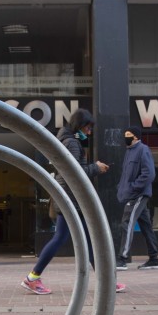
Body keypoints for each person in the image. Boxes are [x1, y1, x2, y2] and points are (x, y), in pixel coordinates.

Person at [21, 109, 125, 295]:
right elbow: (74, 172)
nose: (89, 132)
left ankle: (33, 277)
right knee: (85, 239)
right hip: (71, 197)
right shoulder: (72, 142)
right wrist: (96, 168)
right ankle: (33, 277)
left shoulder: (67, 140)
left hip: (67, 196)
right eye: (88, 128)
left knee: (69, 238)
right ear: (80, 126)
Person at [115, 125, 158, 270]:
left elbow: (149, 173)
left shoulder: (143, 150)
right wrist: (122, 188)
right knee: (146, 226)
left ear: (136, 136)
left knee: (127, 222)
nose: (126, 137)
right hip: (132, 193)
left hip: (138, 194)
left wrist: (133, 187)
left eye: (128, 134)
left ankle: (122, 259)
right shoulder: (129, 152)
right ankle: (154, 259)